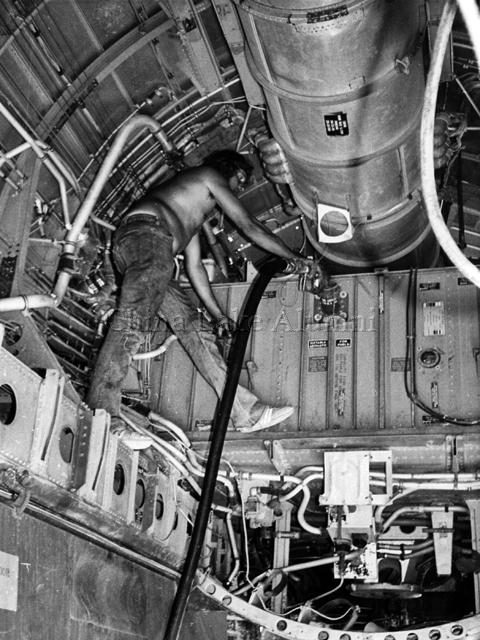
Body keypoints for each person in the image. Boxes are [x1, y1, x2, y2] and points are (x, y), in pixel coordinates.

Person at [86, 149, 324, 439]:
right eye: (240, 180)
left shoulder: (193, 216)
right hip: (146, 238)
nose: (240, 188)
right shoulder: (208, 176)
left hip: (150, 248)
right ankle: (104, 417)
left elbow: (195, 267)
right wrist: (293, 258)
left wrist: (218, 315)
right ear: (229, 171)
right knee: (133, 324)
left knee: (194, 329)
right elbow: (249, 226)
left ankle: (244, 413)